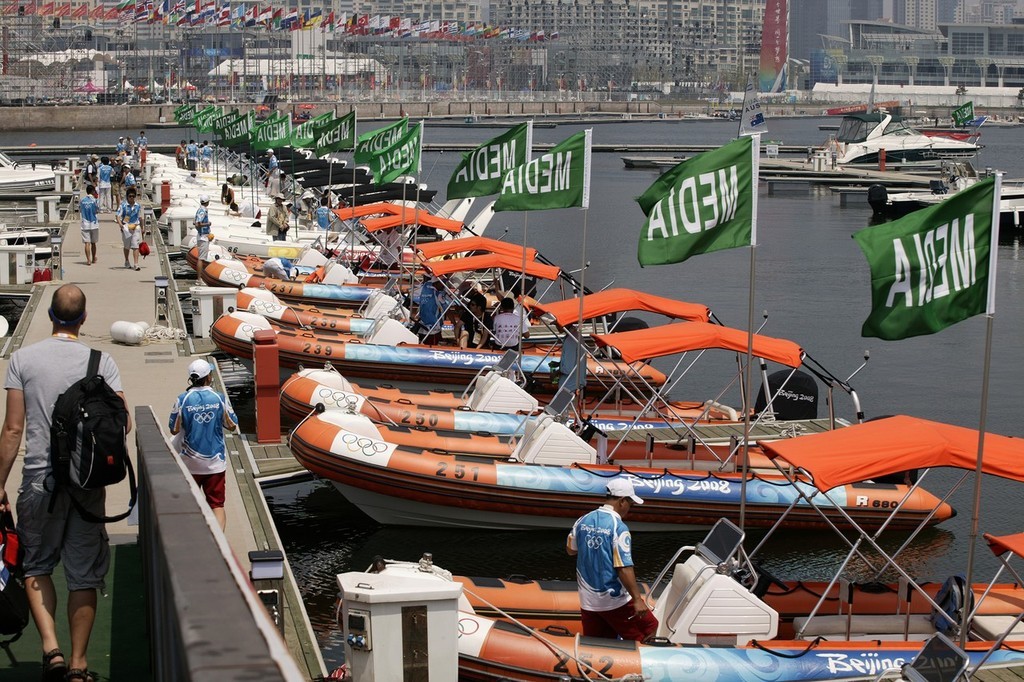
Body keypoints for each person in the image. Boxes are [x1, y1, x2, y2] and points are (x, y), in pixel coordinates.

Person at [0, 284, 130, 682]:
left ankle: (50, 650)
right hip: (86, 484)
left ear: (51, 317)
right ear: (83, 319)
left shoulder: (22, 360)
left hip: (39, 480)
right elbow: (120, 421)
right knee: (84, 574)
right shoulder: (102, 361)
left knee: (37, 565)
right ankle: (78, 664)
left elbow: (12, 429)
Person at [567, 478, 658, 641]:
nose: (629, 509)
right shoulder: (619, 528)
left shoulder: (582, 520)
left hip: (588, 601)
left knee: (599, 641)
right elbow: (623, 567)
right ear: (622, 501)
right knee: (650, 628)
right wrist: (638, 600)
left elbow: (571, 550)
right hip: (614, 601)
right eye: (631, 504)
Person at [168, 359, 237, 530]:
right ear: (208, 377)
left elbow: (174, 429)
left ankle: (192, 541)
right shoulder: (218, 398)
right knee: (217, 505)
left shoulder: (183, 399)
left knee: (190, 506)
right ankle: (218, 542)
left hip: (190, 464)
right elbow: (232, 425)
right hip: (215, 464)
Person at [115, 187, 143, 270]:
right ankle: (127, 260)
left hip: (136, 226)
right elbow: (118, 216)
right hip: (126, 227)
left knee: (135, 245)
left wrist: (142, 227)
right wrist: (120, 225)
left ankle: (136, 263)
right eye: (130, 196)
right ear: (127, 196)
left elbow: (140, 217)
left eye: (133, 196)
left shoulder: (137, 206)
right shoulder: (123, 205)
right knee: (127, 246)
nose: (132, 198)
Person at [416, 277, 449, 345]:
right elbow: (447, 310)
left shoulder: (424, 288)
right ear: (436, 283)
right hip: (433, 328)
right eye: (442, 283)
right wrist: (454, 324)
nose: (444, 285)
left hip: (422, 325)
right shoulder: (438, 295)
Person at [79, 183, 99, 266]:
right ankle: (94, 258)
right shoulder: (94, 200)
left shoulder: (82, 200)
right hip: (94, 224)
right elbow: (96, 210)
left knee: (87, 243)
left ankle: (88, 260)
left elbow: (80, 210)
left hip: (85, 223)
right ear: (93, 191)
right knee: (93, 243)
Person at [194, 195, 212, 280]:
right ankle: (199, 279)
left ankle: (200, 278)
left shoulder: (199, 209)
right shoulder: (203, 210)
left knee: (201, 258)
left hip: (201, 235)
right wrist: (208, 224)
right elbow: (198, 223)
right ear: (207, 202)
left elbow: (195, 223)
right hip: (203, 237)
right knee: (201, 259)